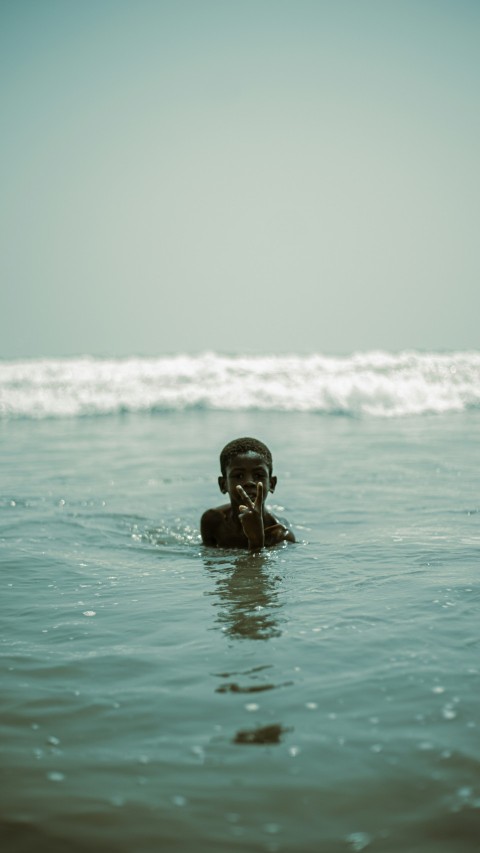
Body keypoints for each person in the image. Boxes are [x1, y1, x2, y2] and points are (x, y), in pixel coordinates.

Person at [200, 437, 295, 549]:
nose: (249, 482)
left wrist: (256, 541)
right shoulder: (213, 522)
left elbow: (257, 566)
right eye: (239, 476)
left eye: (258, 475)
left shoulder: (280, 536)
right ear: (223, 484)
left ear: (272, 484)